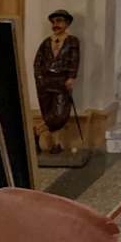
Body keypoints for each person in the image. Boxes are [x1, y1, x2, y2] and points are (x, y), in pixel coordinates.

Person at [32, 9, 81, 154]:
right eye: (53, 22)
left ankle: (37, 130)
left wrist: (71, 77)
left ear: (67, 23)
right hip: (45, 83)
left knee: (60, 115)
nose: (55, 25)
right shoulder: (46, 42)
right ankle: (56, 144)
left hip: (61, 82)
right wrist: (39, 79)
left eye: (59, 21)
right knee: (48, 112)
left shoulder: (72, 41)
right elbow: (37, 62)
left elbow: (74, 60)